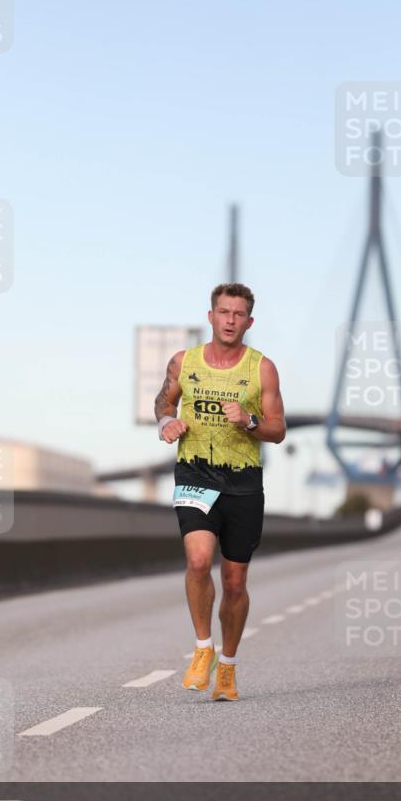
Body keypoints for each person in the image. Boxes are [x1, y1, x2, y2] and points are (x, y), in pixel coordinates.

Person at [154, 282, 286, 700]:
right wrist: (166, 423)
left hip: (243, 483)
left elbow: (278, 430)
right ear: (210, 317)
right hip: (195, 472)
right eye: (224, 312)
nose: (230, 321)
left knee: (234, 582)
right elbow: (164, 402)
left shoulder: (262, 369)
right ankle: (202, 648)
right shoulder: (184, 361)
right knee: (197, 561)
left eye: (238, 314)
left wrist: (249, 421)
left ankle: (227, 665)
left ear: (249, 321)